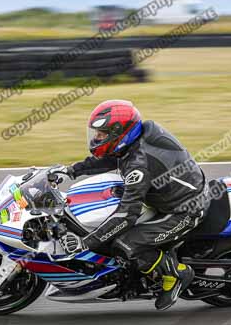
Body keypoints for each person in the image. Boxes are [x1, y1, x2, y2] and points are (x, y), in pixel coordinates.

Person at [55, 99, 210, 310]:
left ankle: (177, 273)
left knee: (126, 245)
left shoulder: (139, 165)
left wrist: (87, 243)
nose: (97, 139)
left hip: (185, 210)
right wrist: (70, 171)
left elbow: (127, 215)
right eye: (97, 134)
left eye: (102, 135)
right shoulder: (135, 140)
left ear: (120, 134)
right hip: (167, 195)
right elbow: (112, 158)